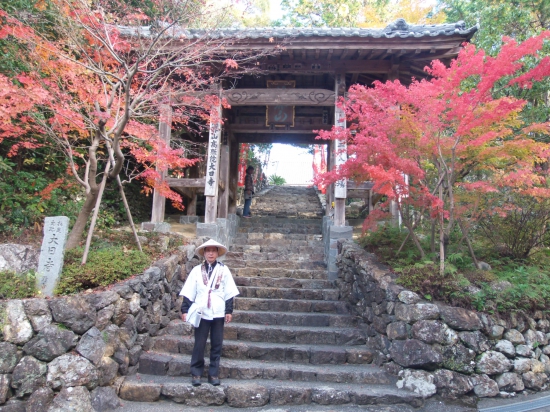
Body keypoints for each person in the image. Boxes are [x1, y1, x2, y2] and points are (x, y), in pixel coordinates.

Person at [179, 239, 239, 387]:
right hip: (201, 310)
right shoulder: (196, 271)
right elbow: (189, 291)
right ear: (204, 253)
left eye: (213, 250)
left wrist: (228, 310)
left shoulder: (224, 270)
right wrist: (185, 309)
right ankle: (196, 372)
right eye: (208, 250)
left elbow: (229, 291)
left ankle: (213, 373)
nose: (211, 253)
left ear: (217, 253)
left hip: (218, 310)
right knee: (199, 343)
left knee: (217, 343)